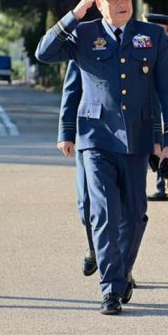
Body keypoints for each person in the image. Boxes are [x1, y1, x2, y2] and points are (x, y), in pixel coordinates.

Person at [36, 0, 168, 315]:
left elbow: (166, 91)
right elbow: (44, 52)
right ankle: (111, 288)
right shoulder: (84, 34)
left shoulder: (152, 37)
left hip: (137, 139)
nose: (122, 4)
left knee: (135, 216)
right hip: (95, 139)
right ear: (99, 1)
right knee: (103, 213)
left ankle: (122, 269)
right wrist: (74, 14)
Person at [58, 60, 98, 276]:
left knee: (123, 206)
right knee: (86, 202)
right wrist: (66, 133)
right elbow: (72, 91)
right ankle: (94, 248)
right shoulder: (83, 39)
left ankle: (120, 265)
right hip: (88, 134)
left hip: (125, 138)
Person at [144, 12, 168, 202]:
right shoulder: (161, 44)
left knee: (160, 143)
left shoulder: (164, 45)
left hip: (157, 100)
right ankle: (162, 185)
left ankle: (165, 186)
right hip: (152, 99)